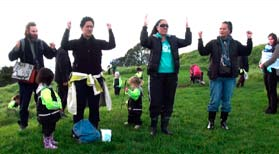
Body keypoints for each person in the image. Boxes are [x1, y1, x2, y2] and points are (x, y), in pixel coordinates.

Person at [140, 16, 192, 136]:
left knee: (169, 101)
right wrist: (144, 27)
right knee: (156, 102)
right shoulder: (153, 39)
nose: (165, 27)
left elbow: (187, 42)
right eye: (162, 25)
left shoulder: (172, 39)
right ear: (157, 28)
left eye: (166, 26)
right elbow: (143, 41)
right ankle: (153, 127)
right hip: (156, 76)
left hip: (171, 76)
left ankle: (165, 127)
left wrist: (188, 28)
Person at [61, 16, 115, 129]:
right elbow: (64, 45)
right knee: (79, 105)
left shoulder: (98, 43)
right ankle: (77, 129)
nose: (89, 29)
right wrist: (67, 29)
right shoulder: (76, 43)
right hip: (80, 80)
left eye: (91, 26)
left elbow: (111, 45)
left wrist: (110, 30)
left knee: (94, 105)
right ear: (82, 28)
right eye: (87, 26)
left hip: (95, 79)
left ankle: (94, 128)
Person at [198, 21, 253, 130]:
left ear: (229, 30)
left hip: (230, 77)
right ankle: (211, 122)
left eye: (224, 29)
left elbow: (247, 51)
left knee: (226, 101)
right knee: (215, 100)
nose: (221, 30)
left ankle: (223, 122)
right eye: (220, 28)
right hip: (216, 77)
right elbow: (203, 52)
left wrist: (249, 39)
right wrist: (200, 39)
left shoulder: (235, 44)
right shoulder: (214, 43)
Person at [8, 22, 57, 130]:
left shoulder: (41, 43)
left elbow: (49, 55)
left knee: (41, 101)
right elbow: (11, 57)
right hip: (25, 79)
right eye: (33, 31)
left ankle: (42, 120)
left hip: (39, 78)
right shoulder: (21, 43)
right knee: (24, 103)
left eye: (36, 31)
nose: (35, 33)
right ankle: (23, 125)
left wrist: (53, 49)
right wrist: (16, 49)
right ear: (27, 31)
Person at [36, 68, 61, 149]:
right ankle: (47, 144)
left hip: (50, 114)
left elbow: (57, 98)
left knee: (52, 128)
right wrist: (58, 106)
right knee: (47, 130)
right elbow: (49, 104)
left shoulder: (48, 88)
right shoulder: (45, 91)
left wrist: (59, 106)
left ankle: (51, 140)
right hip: (46, 115)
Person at [259, 33, 279, 114]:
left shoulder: (277, 46)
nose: (270, 41)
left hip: (273, 70)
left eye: (272, 39)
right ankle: (270, 106)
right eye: (269, 39)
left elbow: (273, 59)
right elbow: (264, 56)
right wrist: (260, 63)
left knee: (272, 90)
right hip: (266, 70)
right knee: (268, 89)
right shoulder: (268, 47)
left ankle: (273, 109)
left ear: (275, 39)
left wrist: (263, 65)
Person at [55, 47, 72, 117]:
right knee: (63, 96)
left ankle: (60, 112)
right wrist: (65, 80)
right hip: (62, 79)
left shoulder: (61, 51)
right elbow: (62, 66)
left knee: (62, 95)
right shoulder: (62, 52)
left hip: (61, 78)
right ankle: (60, 112)